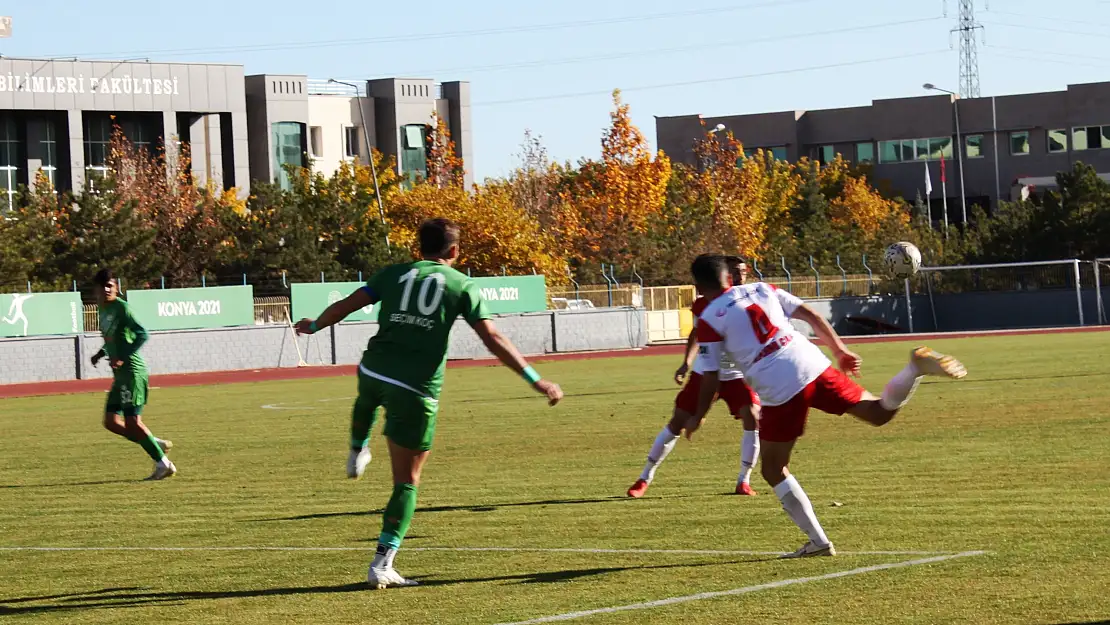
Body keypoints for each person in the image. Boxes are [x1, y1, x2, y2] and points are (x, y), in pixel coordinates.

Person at [295, 218, 564, 589]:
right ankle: (382, 564)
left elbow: (346, 305)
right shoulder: (461, 285)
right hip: (416, 387)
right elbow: (493, 338)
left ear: (418, 247)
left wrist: (313, 327)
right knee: (407, 481)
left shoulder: (394, 273)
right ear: (454, 251)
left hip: (374, 369)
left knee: (367, 398)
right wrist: (537, 380)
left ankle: (357, 448)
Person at [683, 255, 966, 558]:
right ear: (729, 276)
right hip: (811, 361)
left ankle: (818, 542)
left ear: (698, 286)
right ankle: (914, 369)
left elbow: (711, 375)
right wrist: (839, 350)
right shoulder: (764, 289)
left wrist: (698, 415)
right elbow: (811, 316)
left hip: (778, 383)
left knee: (772, 468)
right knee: (878, 412)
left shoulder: (710, 317)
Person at [627, 255, 761, 499]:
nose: (739, 276)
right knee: (677, 422)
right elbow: (697, 334)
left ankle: (744, 480)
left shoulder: (754, 298)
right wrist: (686, 363)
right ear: (724, 276)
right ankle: (645, 477)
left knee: (753, 416)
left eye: (742, 271)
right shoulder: (704, 304)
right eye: (733, 272)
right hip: (705, 372)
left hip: (737, 375)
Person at [92, 269, 176, 481]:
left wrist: (122, 356)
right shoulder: (102, 310)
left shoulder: (123, 309)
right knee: (111, 421)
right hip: (120, 375)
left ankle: (163, 464)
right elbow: (113, 338)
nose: (106, 289)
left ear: (116, 288)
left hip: (132, 372)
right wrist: (100, 353)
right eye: (103, 285)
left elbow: (142, 334)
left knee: (133, 422)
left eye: (110, 285)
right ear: (96, 289)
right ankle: (153, 442)